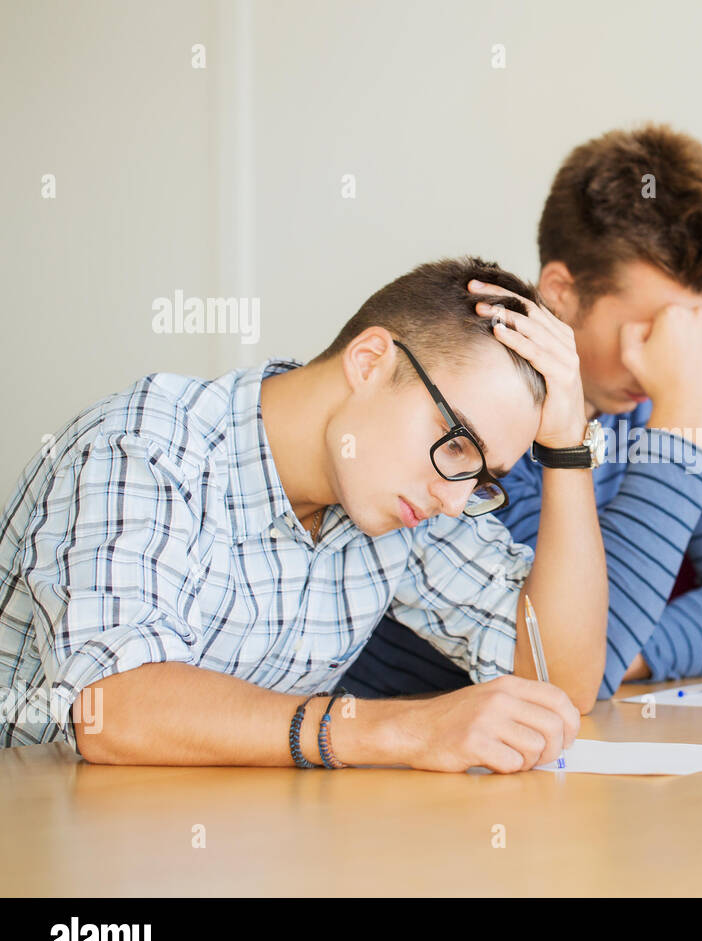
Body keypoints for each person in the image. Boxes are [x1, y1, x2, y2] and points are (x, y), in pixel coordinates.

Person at [0, 257, 608, 773]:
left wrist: (567, 449)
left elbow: (556, 682)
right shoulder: (145, 445)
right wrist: (402, 730)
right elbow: (112, 710)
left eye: (480, 478)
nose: (454, 499)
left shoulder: (406, 498)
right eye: (456, 443)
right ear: (370, 362)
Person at [342, 124, 702, 701]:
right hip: (381, 758)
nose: (678, 357)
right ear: (560, 291)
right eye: (656, 326)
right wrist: (684, 420)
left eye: (695, 326)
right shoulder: (483, 410)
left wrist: (619, 653)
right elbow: (560, 661)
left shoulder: (678, 388)